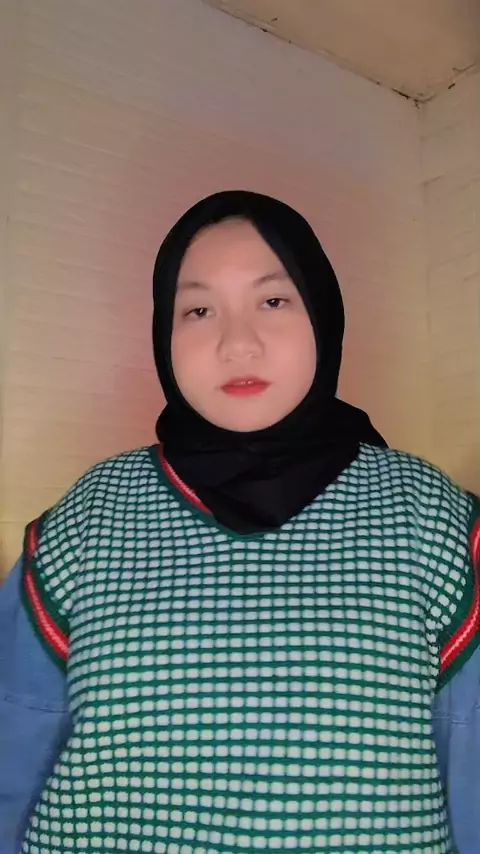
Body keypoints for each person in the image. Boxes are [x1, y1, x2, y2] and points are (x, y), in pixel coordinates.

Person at [0, 190, 478, 854]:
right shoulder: (90, 513)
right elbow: (15, 744)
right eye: (198, 310)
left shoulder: (430, 516)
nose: (238, 343)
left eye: (274, 300)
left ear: (324, 315)